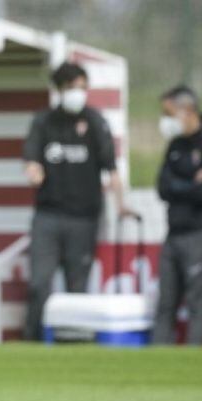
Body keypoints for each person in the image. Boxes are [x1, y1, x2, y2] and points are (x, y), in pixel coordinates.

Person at [21, 61, 133, 341]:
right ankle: (33, 340)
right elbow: (31, 161)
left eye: (83, 88)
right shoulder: (43, 122)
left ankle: (73, 342)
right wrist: (33, 172)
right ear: (59, 90)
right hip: (48, 215)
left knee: (77, 285)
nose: (78, 94)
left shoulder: (94, 121)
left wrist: (121, 204)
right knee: (39, 284)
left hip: (83, 217)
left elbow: (111, 167)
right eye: (73, 88)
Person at [152, 86, 202, 345]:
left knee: (197, 302)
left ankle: (193, 356)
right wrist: (190, 183)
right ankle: (159, 358)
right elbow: (163, 187)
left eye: (168, 113)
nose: (165, 120)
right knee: (165, 303)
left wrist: (181, 185)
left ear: (186, 111)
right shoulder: (176, 144)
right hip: (174, 231)